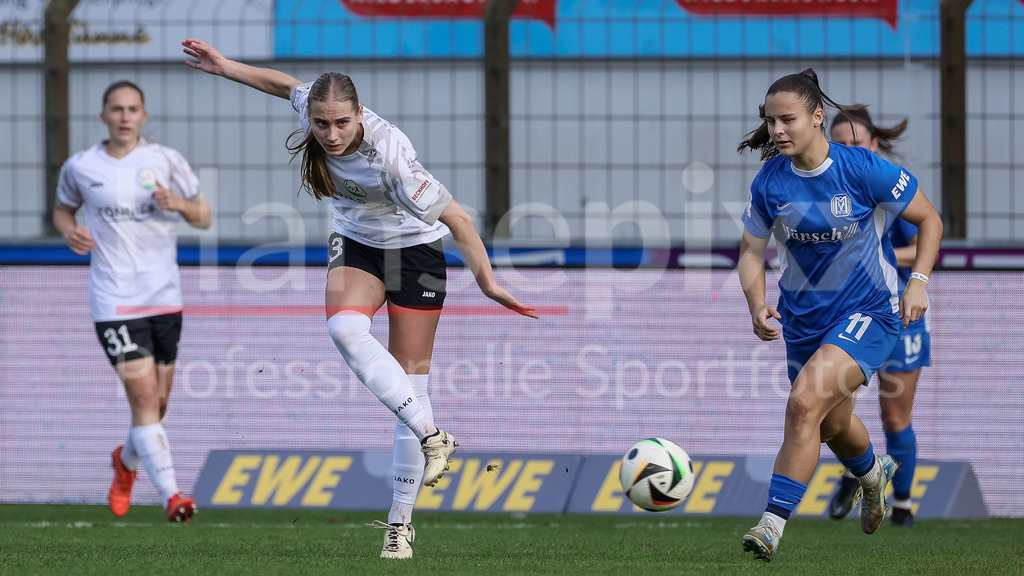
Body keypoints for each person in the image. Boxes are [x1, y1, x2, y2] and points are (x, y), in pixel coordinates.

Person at [181, 38, 538, 559]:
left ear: (358, 115)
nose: (330, 134)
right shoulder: (316, 106)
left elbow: (458, 219)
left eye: (340, 124)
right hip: (357, 246)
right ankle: (433, 435)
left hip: (414, 254)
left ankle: (400, 524)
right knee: (345, 329)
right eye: (322, 123)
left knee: (410, 382)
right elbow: (282, 85)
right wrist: (222, 66)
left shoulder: (394, 160)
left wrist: (487, 282)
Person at [735, 69, 942, 561]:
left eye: (787, 119)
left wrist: (919, 282)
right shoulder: (769, 182)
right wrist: (756, 304)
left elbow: (929, 220)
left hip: (869, 312)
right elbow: (749, 253)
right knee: (830, 426)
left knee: (804, 404)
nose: (777, 130)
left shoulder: (862, 169)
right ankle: (873, 475)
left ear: (817, 116)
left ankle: (770, 525)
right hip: (803, 320)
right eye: (770, 121)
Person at [53, 80, 212, 522]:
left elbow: (204, 216)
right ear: (103, 115)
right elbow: (62, 210)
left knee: (157, 407)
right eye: (116, 109)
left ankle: (125, 461)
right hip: (113, 300)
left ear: (143, 116)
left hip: (164, 297)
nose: (124, 116)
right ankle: (173, 495)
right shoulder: (81, 166)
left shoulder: (165, 160)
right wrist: (70, 232)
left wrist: (178, 203)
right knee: (143, 399)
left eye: (132, 109)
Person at [826, 108, 926, 528]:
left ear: (873, 147)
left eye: (856, 144)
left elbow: (923, 237)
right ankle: (861, 469)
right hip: (848, 312)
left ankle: (901, 503)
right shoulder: (821, 189)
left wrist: (886, 261)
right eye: (839, 145)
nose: (847, 152)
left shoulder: (884, 185)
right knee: (833, 410)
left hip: (898, 313)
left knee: (895, 415)